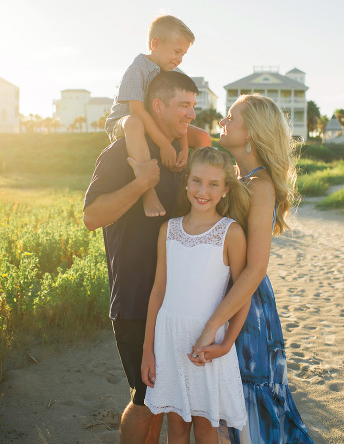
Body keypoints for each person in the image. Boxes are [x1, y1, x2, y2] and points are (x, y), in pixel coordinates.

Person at [188, 94, 314, 444]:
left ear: (251, 133)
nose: (222, 123)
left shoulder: (260, 185)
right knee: (224, 404)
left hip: (247, 303)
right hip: (223, 296)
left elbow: (257, 267)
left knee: (246, 403)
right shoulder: (239, 179)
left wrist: (216, 322)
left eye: (230, 117)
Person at [83, 69, 200, 444]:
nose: (191, 115)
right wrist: (140, 184)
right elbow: (92, 217)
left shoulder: (182, 157)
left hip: (179, 303)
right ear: (158, 105)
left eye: (194, 106)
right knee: (146, 400)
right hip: (136, 299)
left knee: (168, 401)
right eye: (184, 105)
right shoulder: (121, 153)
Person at [142, 148, 251, 442]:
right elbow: (158, 291)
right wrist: (147, 350)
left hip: (207, 344)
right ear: (187, 182)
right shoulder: (169, 229)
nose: (203, 191)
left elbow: (242, 295)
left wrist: (227, 344)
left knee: (206, 427)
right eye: (197, 181)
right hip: (169, 340)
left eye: (214, 184)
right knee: (176, 426)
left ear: (226, 189)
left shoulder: (231, 232)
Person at [103, 14, 211, 218]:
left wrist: (185, 148)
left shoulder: (174, 72)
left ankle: (201, 184)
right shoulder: (137, 70)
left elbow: (180, 117)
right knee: (135, 124)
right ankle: (148, 191)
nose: (179, 59)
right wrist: (163, 144)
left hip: (154, 123)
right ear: (155, 44)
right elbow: (137, 111)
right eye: (176, 52)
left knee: (204, 137)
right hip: (125, 123)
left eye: (183, 55)